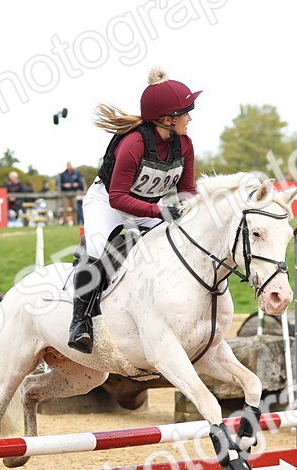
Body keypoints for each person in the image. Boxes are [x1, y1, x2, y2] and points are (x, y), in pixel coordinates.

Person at [67, 66, 200, 354]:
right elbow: (118, 198)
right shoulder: (133, 143)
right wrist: (160, 212)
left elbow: (187, 191)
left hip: (148, 207)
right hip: (107, 204)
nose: (190, 118)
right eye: (186, 113)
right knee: (98, 252)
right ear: (169, 119)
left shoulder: (185, 145)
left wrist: (195, 213)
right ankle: (80, 322)